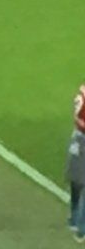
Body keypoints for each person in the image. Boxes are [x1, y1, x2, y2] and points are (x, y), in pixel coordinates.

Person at [68, 81, 85, 238]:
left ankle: (80, 227)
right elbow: (77, 119)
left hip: (79, 140)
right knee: (76, 182)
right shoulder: (83, 93)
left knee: (78, 183)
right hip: (81, 140)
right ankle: (76, 222)